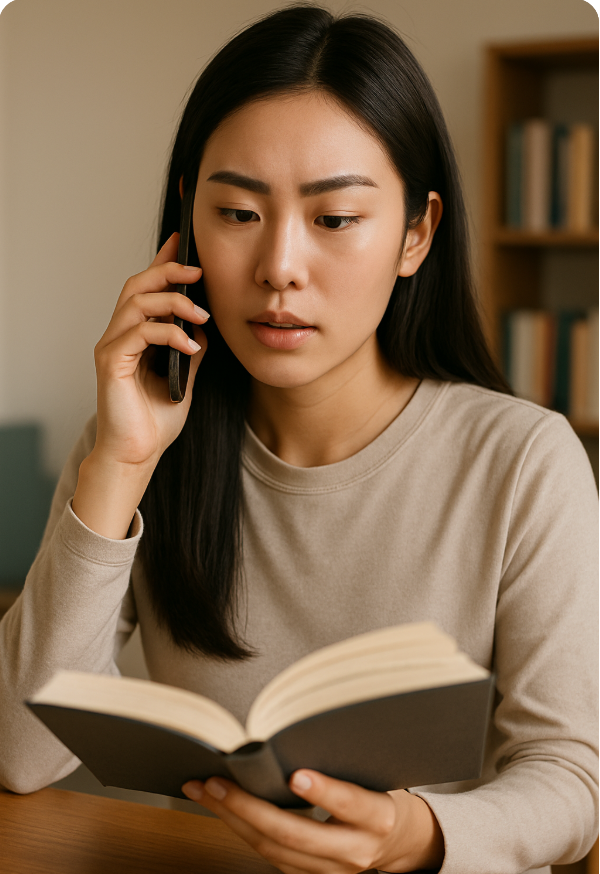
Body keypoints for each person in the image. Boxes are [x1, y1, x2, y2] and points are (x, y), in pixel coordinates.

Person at [0, 5, 597, 872]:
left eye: (335, 218)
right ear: (188, 219)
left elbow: (575, 779)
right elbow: (20, 755)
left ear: (416, 233)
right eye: (238, 211)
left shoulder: (522, 462)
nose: (280, 264)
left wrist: (415, 836)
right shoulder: (138, 449)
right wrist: (120, 466)